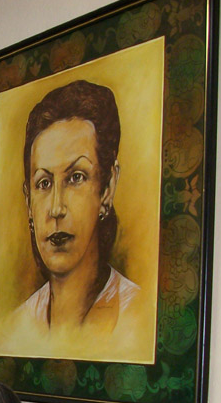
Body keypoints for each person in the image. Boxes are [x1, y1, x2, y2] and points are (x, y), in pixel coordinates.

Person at [8, 79, 145, 351]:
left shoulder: (138, 318)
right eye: (44, 183)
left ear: (107, 188)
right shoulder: (14, 328)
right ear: (28, 200)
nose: (57, 208)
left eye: (76, 178)